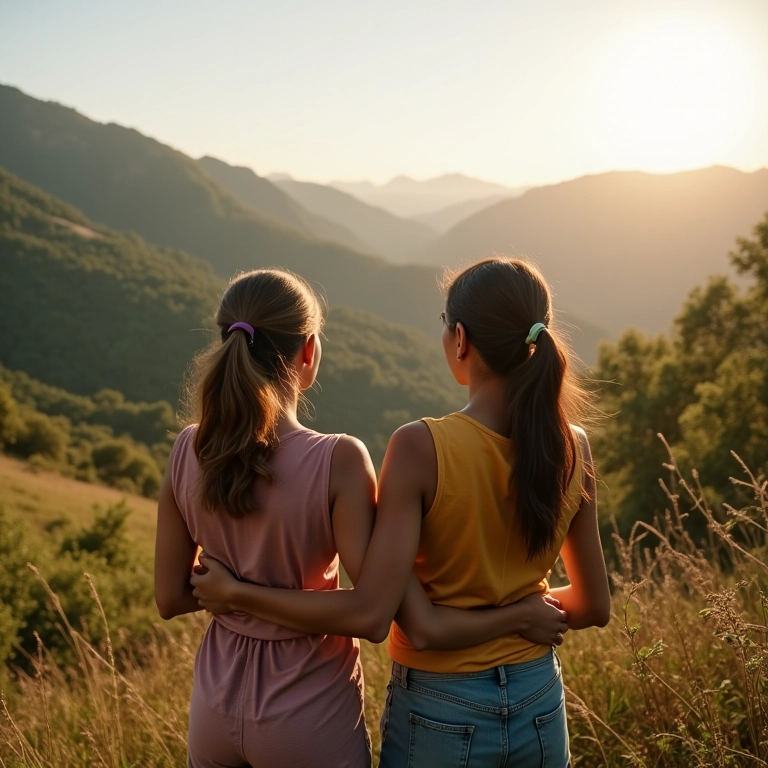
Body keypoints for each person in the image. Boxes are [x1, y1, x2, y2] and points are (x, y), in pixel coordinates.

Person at [191, 257, 611, 767]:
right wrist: (524, 613)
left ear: (460, 340)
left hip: (443, 704)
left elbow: (422, 627)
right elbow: (592, 606)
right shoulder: (575, 447)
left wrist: (511, 616)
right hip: (539, 698)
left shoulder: (420, 447)